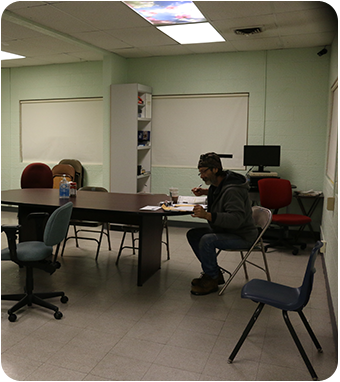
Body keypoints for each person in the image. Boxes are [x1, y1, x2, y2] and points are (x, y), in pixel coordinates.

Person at [187, 152, 258, 296]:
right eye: (200, 173)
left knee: (207, 240)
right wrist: (205, 192)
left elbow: (236, 219)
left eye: (204, 172)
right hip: (227, 230)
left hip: (242, 235)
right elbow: (220, 193)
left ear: (215, 169)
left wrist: (207, 215)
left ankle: (212, 280)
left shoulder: (233, 190)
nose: (202, 176)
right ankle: (214, 273)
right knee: (193, 234)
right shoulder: (220, 183)